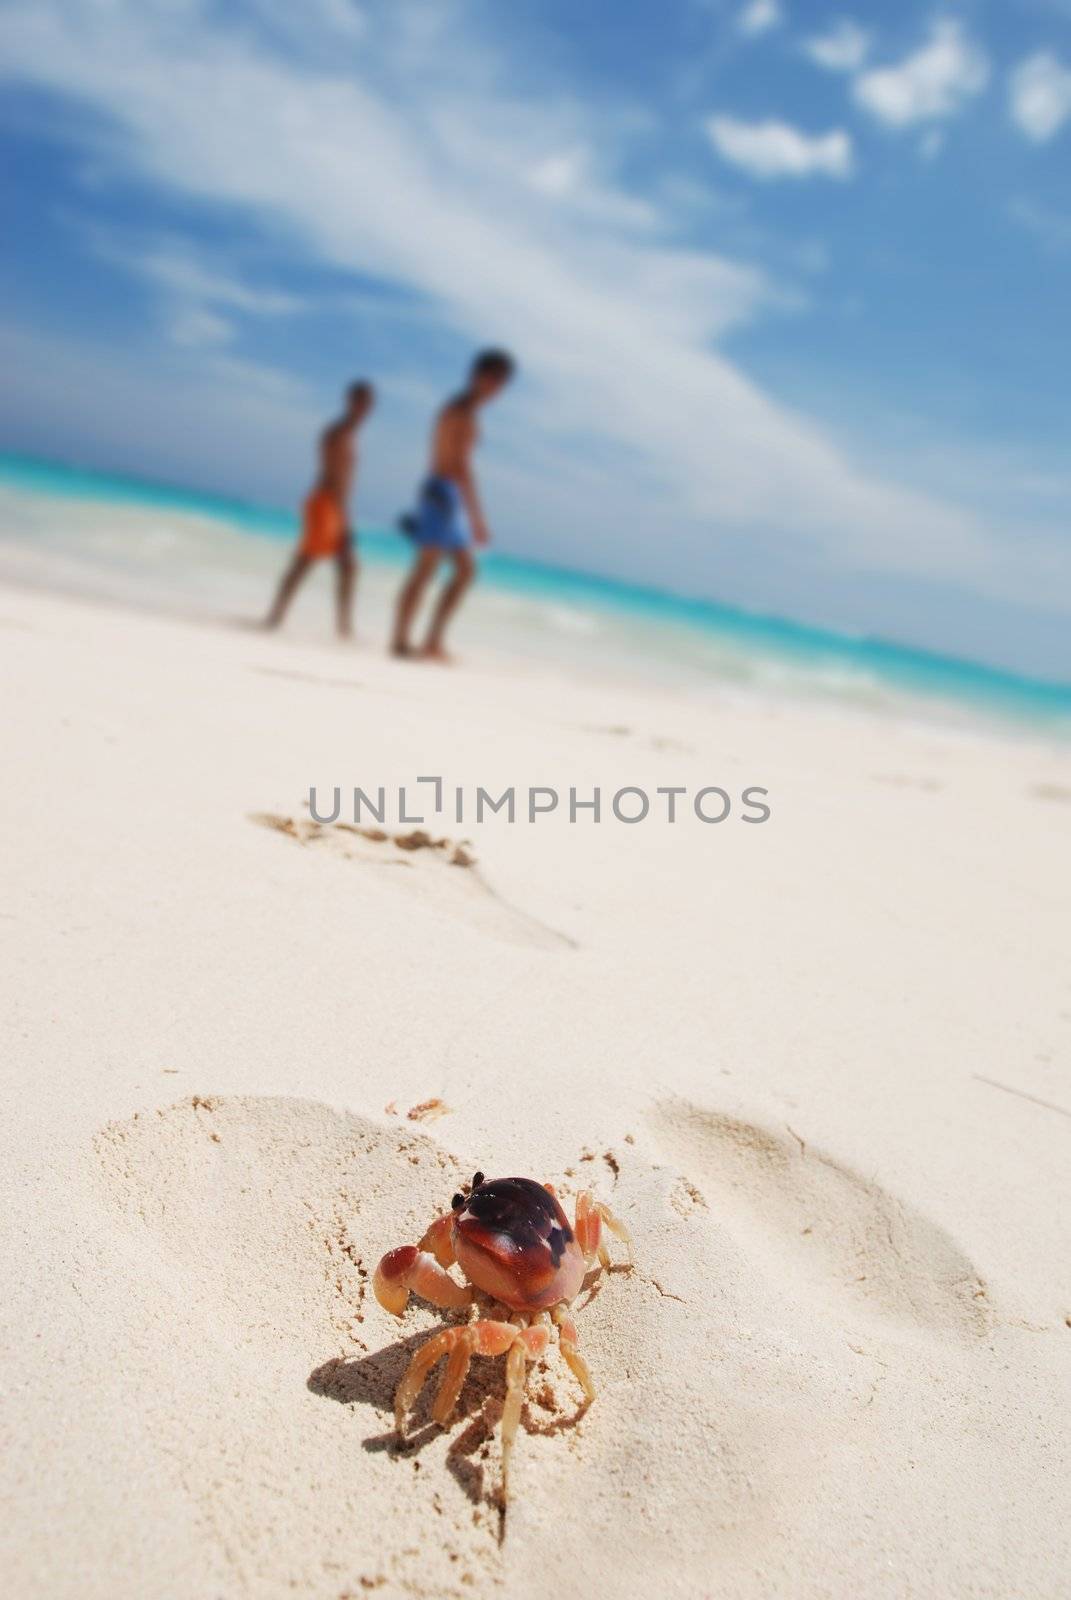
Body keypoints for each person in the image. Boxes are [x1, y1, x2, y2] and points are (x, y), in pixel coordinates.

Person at [391, 349, 515, 661]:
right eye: (496, 380)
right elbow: (460, 466)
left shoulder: (457, 409)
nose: (498, 389)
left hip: (442, 492)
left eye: (502, 383)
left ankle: (427, 640)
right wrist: (477, 518)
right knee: (429, 569)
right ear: (480, 376)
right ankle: (404, 641)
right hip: (442, 492)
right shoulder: (462, 413)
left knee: (461, 570)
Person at [265, 380, 374, 637]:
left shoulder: (347, 434)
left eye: (367, 404)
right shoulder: (337, 433)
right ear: (349, 401)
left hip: (332, 505)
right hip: (326, 503)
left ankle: (342, 626)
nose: (363, 408)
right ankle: (276, 615)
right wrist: (343, 517)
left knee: (346, 566)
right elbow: (332, 476)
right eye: (360, 402)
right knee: (307, 561)